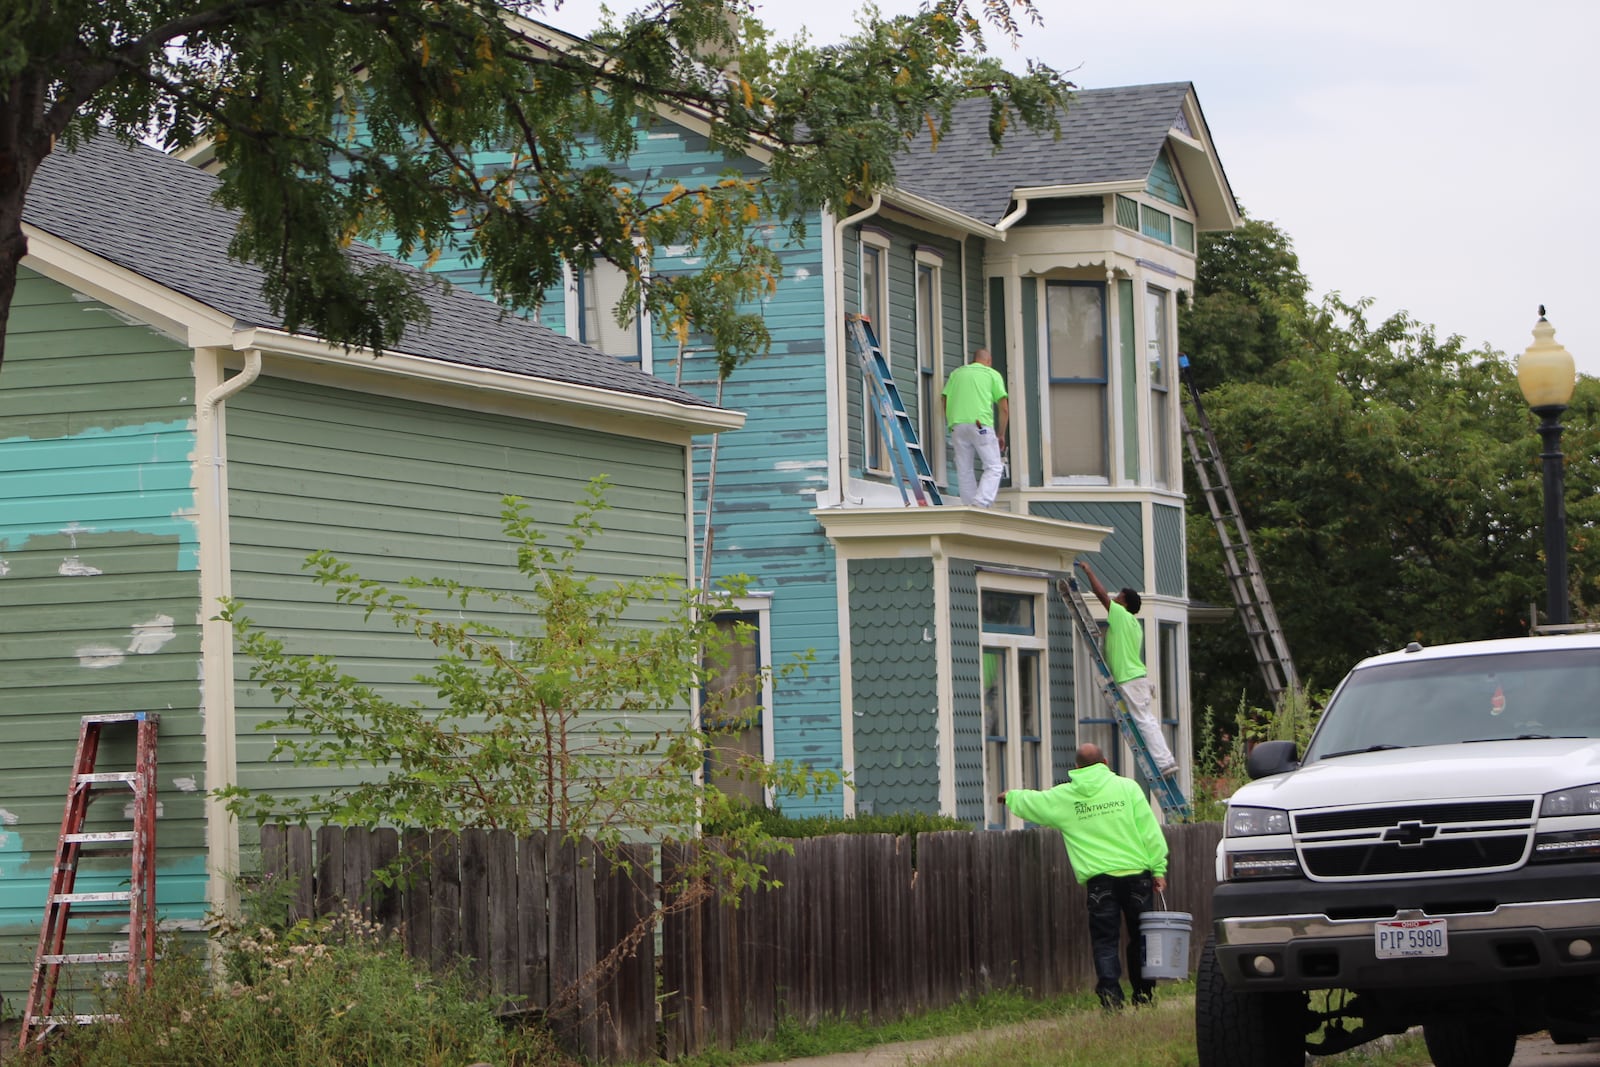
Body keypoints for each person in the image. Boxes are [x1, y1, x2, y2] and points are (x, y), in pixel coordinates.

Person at [1000, 743, 1169, 1010]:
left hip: (1100, 882)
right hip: (1138, 876)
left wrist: (1010, 796)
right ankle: (1144, 997)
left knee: (1105, 942)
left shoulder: (1066, 797)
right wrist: (1158, 869)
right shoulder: (1128, 788)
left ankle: (1111, 1000)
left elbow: (1034, 801)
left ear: (1077, 767)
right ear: (1105, 762)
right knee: (1142, 938)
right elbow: (1149, 832)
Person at [1075, 559, 1179, 779]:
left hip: (1131, 680)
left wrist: (1089, 570)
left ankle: (1165, 762)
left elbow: (1101, 595)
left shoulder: (1121, 616)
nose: (1114, 598)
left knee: (1144, 720)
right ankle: (1164, 760)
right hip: (1134, 679)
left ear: (1124, 604)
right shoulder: (1131, 624)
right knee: (1145, 719)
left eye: (1119, 597)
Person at [939, 347, 1009, 508]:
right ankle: (980, 503)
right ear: (988, 361)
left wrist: (951, 421)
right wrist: (1001, 434)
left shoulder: (957, 373)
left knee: (964, 468)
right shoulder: (992, 374)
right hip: (980, 424)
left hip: (957, 426)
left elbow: (944, 399)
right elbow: (1004, 408)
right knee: (994, 466)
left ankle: (969, 505)